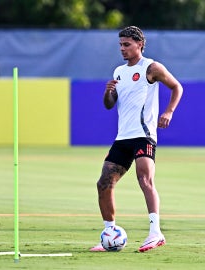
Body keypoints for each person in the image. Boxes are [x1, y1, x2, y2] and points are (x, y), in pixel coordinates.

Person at [90, 26, 183, 252]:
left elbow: (176, 87)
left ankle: (155, 233)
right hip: (123, 138)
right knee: (103, 183)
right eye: (120, 45)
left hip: (144, 136)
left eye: (127, 45)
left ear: (139, 44)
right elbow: (109, 105)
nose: (122, 49)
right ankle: (110, 234)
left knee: (145, 180)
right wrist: (108, 92)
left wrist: (169, 112)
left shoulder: (151, 68)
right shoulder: (119, 72)